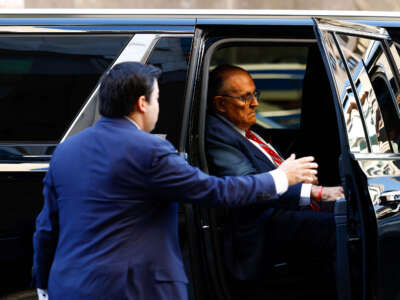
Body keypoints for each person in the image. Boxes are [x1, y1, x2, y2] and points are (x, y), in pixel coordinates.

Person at [32, 62, 318, 300]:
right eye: (157, 99)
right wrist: (280, 178)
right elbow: (214, 191)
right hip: (137, 289)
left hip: (69, 287)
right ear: (142, 103)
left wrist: (43, 285)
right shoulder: (150, 150)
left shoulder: (66, 151)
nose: (159, 108)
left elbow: (46, 229)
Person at [205, 65, 344, 282]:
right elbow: (249, 186)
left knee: (348, 213)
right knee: (341, 227)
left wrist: (300, 178)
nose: (255, 103)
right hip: (262, 223)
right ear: (221, 103)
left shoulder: (250, 129)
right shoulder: (216, 133)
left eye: (255, 94)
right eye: (245, 97)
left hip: (282, 208)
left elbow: (274, 170)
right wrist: (315, 191)